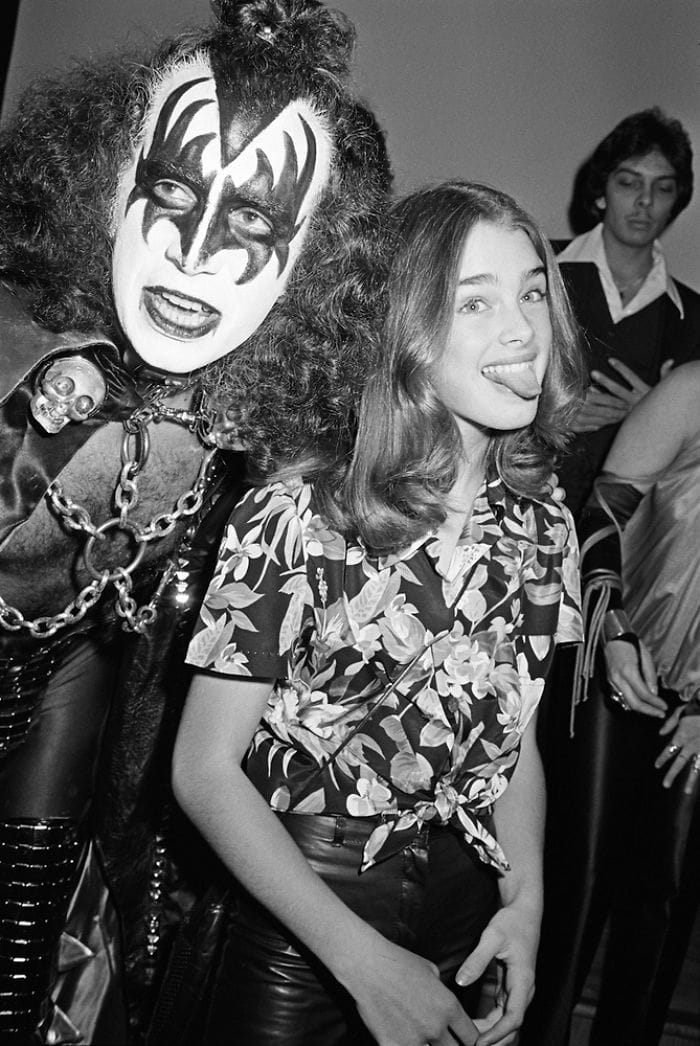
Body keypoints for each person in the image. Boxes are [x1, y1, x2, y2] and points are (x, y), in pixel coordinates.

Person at [0, 0, 391, 1040]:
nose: (197, 251)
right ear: (106, 186)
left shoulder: (254, 456)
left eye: (255, 222)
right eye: (172, 190)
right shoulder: (20, 364)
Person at [173, 180, 585, 1046]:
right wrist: (363, 963)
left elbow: (517, 743)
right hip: (304, 924)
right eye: (475, 302)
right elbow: (203, 772)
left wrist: (529, 903)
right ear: (407, 331)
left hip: (467, 913)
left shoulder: (547, 524)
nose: (521, 329)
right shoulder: (297, 513)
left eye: (533, 292)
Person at [522, 361, 700, 1046]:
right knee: (580, 878)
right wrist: (613, 628)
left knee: (666, 902)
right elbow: (601, 512)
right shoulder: (689, 391)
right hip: (616, 657)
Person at [554, 107, 700, 519]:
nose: (645, 202)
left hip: (632, 542)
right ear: (601, 192)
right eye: (629, 183)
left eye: (663, 188)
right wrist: (545, 412)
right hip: (525, 517)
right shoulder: (536, 271)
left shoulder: (692, 319)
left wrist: (663, 414)